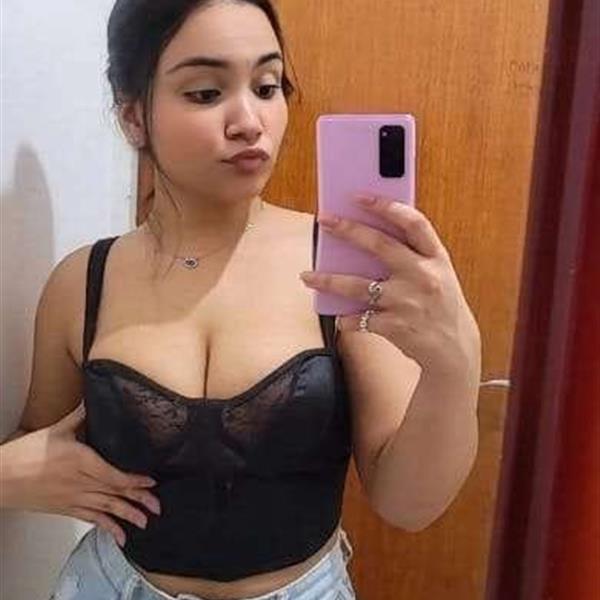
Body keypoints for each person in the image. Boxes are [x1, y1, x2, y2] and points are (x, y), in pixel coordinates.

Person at [0, 1, 483, 599]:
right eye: (206, 93)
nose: (250, 121)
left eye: (267, 86)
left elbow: (408, 504)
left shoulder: (342, 268)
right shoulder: (81, 282)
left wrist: (455, 364)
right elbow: (37, 446)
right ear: (134, 117)